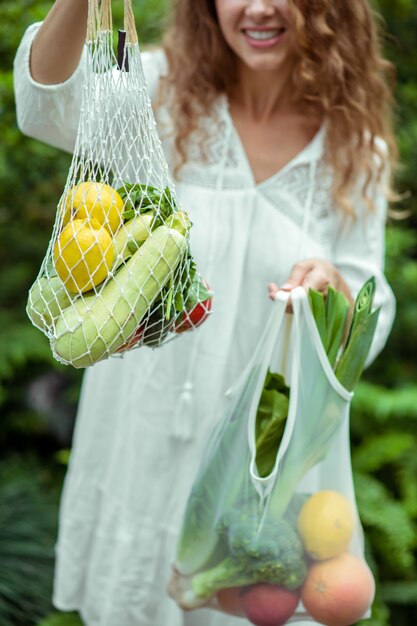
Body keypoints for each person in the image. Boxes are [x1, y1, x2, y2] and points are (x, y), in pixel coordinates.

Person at [14, 0, 397, 625]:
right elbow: (42, 104)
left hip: (259, 454)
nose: (260, 7)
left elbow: (367, 309)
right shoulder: (157, 92)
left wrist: (331, 288)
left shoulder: (356, 149)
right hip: (141, 427)